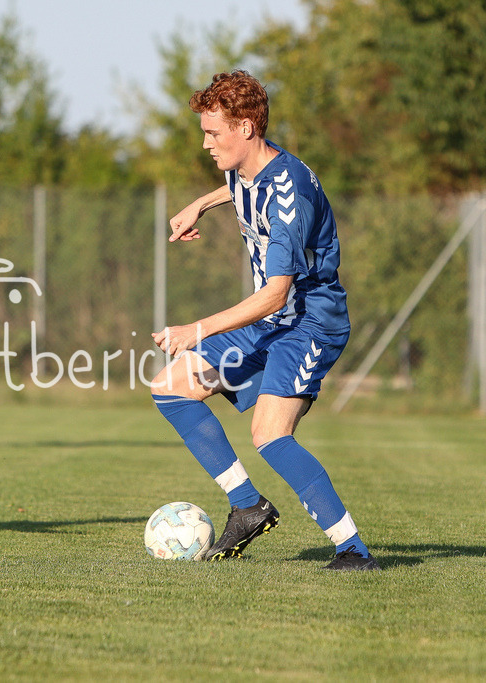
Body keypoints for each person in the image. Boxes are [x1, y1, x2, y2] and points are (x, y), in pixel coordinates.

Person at [150, 70, 379, 571]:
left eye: (214, 133)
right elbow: (240, 186)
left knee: (269, 435)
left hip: (308, 324)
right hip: (271, 322)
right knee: (171, 386)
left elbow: (275, 295)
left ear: (247, 127)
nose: (206, 143)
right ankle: (248, 505)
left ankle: (353, 551)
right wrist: (201, 204)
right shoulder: (248, 168)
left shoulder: (290, 190)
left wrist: (197, 329)